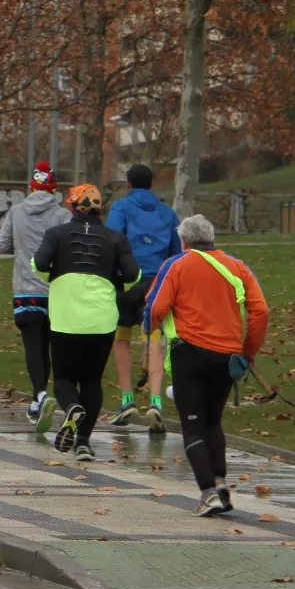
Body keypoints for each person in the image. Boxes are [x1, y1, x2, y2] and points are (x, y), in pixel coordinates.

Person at [148, 213, 270, 516]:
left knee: (192, 426)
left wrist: (150, 330)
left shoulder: (176, 265)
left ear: (184, 240)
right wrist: (248, 350)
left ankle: (208, 491)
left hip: (189, 353)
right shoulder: (238, 267)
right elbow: (261, 311)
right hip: (227, 356)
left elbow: (156, 306)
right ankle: (220, 481)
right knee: (213, 422)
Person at [32, 185, 139, 461]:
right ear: (100, 209)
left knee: (65, 378)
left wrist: (54, 277)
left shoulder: (55, 235)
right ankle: (83, 443)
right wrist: (115, 282)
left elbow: (40, 264)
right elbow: (133, 275)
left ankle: (71, 408)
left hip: (65, 317)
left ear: (71, 207)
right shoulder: (116, 239)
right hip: (101, 319)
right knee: (92, 379)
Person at [0, 161, 73, 422]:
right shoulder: (63, 215)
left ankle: (39, 396)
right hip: (55, 291)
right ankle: (39, 398)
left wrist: (22, 249)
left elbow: (1, 246)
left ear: (32, 185)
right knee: (50, 347)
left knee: (33, 346)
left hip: (25, 290)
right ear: (53, 189)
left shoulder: (16, 212)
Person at [106, 163, 181, 429]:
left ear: (128, 184)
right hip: (157, 283)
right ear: (152, 185)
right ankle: (156, 401)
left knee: (122, 339)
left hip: (127, 281)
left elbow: (112, 239)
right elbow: (176, 251)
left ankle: (127, 400)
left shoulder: (121, 208)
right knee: (155, 340)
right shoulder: (168, 213)